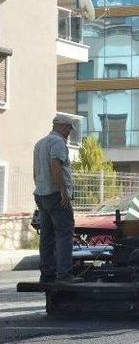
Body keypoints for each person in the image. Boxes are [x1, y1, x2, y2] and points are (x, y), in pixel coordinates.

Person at [33, 115, 79, 283]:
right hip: (56, 195)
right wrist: (63, 192)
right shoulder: (58, 142)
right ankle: (64, 274)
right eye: (68, 128)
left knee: (46, 236)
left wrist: (41, 188)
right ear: (62, 126)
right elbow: (55, 165)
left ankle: (46, 274)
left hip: (41, 194)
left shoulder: (40, 144)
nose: (69, 132)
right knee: (64, 234)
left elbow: (35, 172)